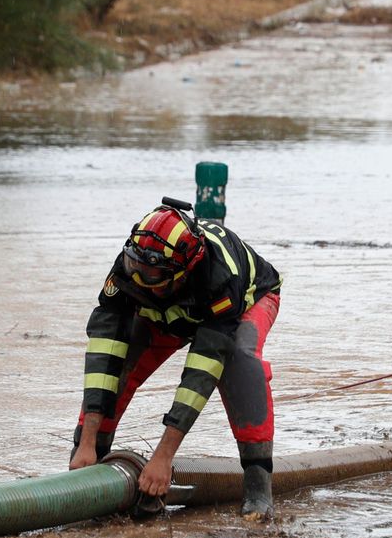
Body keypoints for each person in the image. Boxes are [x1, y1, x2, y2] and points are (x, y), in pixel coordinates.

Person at [68, 198, 282, 519]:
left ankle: (258, 490)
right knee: (121, 362)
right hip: (169, 309)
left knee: (239, 362)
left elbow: (201, 373)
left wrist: (163, 458)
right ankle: (88, 465)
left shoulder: (221, 281)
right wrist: (86, 441)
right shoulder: (130, 269)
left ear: (182, 271)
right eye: (136, 270)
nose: (139, 280)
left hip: (246, 300)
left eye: (150, 276)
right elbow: (104, 353)